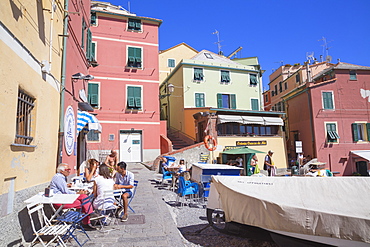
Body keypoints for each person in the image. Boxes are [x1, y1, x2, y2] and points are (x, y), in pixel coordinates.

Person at [50, 163, 100, 229]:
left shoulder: (62, 177)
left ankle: (90, 215)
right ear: (61, 171)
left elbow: (64, 190)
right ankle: (87, 220)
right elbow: (66, 191)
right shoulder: (58, 177)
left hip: (64, 198)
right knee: (83, 203)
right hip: (60, 201)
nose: (69, 171)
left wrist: (78, 193)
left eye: (69, 169)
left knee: (84, 197)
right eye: (67, 169)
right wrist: (77, 193)